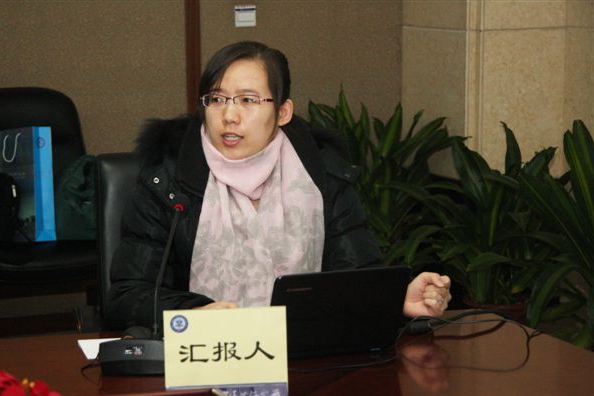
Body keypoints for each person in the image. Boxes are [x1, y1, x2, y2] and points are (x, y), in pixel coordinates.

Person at [105, 41, 451, 331]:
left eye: (248, 100)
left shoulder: (323, 178)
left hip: (305, 357)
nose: (229, 116)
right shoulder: (168, 183)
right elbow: (127, 296)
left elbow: (359, 279)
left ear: (283, 112)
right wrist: (193, 314)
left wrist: (397, 299)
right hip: (202, 360)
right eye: (217, 99)